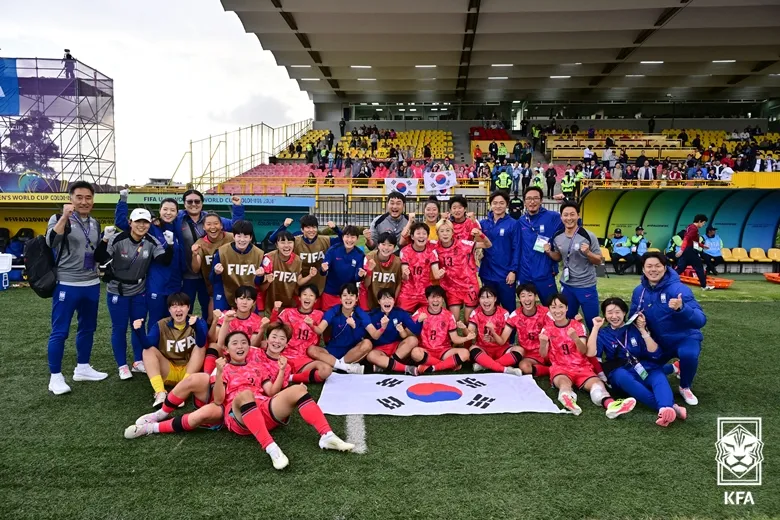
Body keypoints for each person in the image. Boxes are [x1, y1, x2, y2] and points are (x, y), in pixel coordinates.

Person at [213, 328, 354, 470]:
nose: (240, 346)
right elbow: (218, 400)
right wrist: (219, 373)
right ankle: (272, 449)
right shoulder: (222, 369)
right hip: (238, 416)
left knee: (298, 390)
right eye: (235, 343)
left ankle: (327, 436)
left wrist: (281, 370)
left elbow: (271, 392)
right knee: (245, 394)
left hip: (262, 408)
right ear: (226, 349)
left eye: (243, 343)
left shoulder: (257, 367)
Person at [95, 208, 174, 380]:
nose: (141, 225)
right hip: (118, 290)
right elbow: (100, 257)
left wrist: (170, 245)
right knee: (120, 328)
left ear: (149, 224)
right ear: (130, 223)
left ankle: (138, 361)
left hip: (139, 290)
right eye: (138, 221)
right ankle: (122, 365)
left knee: (138, 325)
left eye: (145, 222)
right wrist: (104, 239)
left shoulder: (151, 241)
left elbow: (164, 261)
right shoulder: (117, 238)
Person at [45, 181, 107, 395]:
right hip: (67, 283)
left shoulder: (95, 223)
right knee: (60, 331)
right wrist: (64, 217)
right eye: (79, 197)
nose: (84, 201)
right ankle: (55, 377)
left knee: (88, 327)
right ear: (71, 198)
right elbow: (51, 241)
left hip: (91, 283)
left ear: (93, 200)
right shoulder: (58, 219)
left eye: (88, 197)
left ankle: (83, 367)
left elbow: (96, 251)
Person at [589, 297, 687, 427]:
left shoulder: (634, 328)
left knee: (658, 375)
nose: (614, 316)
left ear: (624, 312)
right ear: (605, 315)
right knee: (623, 377)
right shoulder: (603, 333)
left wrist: (643, 331)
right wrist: (595, 328)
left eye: (617, 312)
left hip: (642, 365)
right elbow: (591, 354)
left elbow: (655, 352)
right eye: (609, 313)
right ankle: (669, 407)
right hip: (620, 370)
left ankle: (665, 409)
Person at [539, 293, 636, 418]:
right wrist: (543, 343)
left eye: (561, 307)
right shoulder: (546, 329)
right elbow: (543, 355)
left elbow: (584, 350)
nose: (557, 310)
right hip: (560, 367)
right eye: (553, 307)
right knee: (564, 383)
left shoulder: (578, 326)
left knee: (597, 385)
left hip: (582, 367)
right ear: (549, 309)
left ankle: (611, 406)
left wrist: (575, 338)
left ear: (567, 308)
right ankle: (569, 400)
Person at [631, 252, 707, 406]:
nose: (653, 270)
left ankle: (685, 386)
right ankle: (674, 368)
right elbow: (633, 314)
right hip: (659, 341)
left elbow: (700, 320)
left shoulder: (679, 289)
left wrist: (682, 308)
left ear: (665, 268)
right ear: (644, 270)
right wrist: (636, 319)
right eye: (649, 266)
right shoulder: (639, 291)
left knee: (689, 354)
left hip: (684, 337)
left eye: (658, 266)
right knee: (642, 370)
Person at [174, 190, 244, 320]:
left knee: (209, 309)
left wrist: (237, 207)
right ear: (184, 203)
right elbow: (164, 224)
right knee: (185, 308)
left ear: (202, 203)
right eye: (189, 201)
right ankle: (189, 336)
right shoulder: (178, 219)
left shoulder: (210, 218)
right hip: (188, 272)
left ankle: (207, 336)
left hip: (208, 274)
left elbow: (236, 226)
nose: (193, 204)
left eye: (197, 201)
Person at [116, 190, 183, 323]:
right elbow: (121, 223)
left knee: (172, 321)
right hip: (156, 284)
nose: (168, 213)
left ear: (177, 213)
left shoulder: (179, 228)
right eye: (165, 209)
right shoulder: (150, 228)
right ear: (160, 210)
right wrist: (123, 200)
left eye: (172, 210)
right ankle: (152, 344)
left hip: (175, 283)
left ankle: (167, 344)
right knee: (155, 321)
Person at [132, 292, 208, 407]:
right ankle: (160, 392)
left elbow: (201, 342)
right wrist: (139, 330)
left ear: (188, 307)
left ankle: (182, 392)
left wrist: (196, 327)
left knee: (200, 348)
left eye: (182, 305)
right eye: (174, 306)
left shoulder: (198, 321)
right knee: (147, 351)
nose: (178, 309)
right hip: (168, 369)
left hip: (189, 371)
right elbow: (148, 344)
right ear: (169, 309)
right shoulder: (161, 325)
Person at [545, 202, 603, 328]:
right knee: (567, 321)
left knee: (592, 322)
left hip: (586, 285)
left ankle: (594, 347)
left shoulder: (588, 235)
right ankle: (571, 346)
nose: (569, 218)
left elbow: (599, 260)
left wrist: (588, 253)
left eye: (572, 214)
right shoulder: (557, 236)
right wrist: (549, 252)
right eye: (565, 215)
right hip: (567, 286)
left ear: (578, 216)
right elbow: (559, 257)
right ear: (561, 217)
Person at [270, 285, 333, 383]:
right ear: (299, 297)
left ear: (316, 300)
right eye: (304, 294)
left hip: (304, 359)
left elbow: (326, 331)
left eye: (311, 295)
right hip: (284, 355)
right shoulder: (288, 312)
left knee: (326, 370)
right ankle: (290, 374)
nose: (307, 297)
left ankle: (290, 377)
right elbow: (272, 327)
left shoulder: (319, 315)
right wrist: (275, 310)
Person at [410, 286, 476, 374]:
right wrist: (418, 322)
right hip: (425, 350)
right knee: (415, 353)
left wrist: (466, 338)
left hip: (444, 351)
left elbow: (455, 338)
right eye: (433, 297)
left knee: (465, 353)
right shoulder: (420, 312)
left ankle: (431, 368)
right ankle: (447, 365)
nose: (436, 300)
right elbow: (409, 331)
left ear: (443, 299)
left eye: (438, 297)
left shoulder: (448, 315)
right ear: (427, 299)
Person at [434, 218, 490, 320]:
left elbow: (488, 245)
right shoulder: (434, 247)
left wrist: (480, 235)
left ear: (452, 232)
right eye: (442, 231)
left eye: (448, 230)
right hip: (451, 288)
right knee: (453, 320)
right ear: (437, 233)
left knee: (469, 321)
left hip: (469, 286)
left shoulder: (463, 244)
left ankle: (469, 335)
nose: (445, 234)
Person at [309, 283, 371, 374]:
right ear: (340, 298)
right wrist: (312, 325)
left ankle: (336, 364)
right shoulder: (334, 311)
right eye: (345, 295)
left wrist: (354, 327)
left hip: (352, 352)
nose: (348, 298)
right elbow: (320, 329)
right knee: (311, 349)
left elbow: (361, 338)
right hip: (333, 350)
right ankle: (345, 367)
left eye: (351, 295)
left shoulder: (361, 313)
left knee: (368, 344)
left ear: (356, 298)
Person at [517, 186, 563, 305]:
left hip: (544, 273)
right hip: (525, 274)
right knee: (526, 308)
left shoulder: (552, 217)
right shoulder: (521, 221)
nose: (532, 201)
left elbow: (574, 220)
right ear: (525, 202)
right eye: (529, 199)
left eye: (536, 198)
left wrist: (565, 202)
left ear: (541, 200)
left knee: (552, 306)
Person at [206, 285, 266, 373]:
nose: (244, 302)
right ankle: (208, 375)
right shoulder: (226, 315)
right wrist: (215, 321)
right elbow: (212, 339)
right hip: (225, 352)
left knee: (262, 346)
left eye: (249, 299)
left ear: (253, 303)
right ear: (235, 300)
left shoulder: (257, 320)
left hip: (244, 353)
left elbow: (253, 345)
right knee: (213, 346)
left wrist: (262, 330)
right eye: (241, 298)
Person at [479, 191, 521, 315]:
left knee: (509, 309)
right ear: (490, 204)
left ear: (507, 205)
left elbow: (516, 248)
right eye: (495, 203)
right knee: (490, 309)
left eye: (501, 203)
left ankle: (510, 335)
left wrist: (513, 271)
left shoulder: (513, 224)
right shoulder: (483, 224)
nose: (498, 206)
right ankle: (492, 334)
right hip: (487, 273)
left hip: (505, 275)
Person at [467, 286, 524, 376]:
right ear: (479, 299)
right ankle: (504, 369)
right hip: (483, 349)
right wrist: (465, 330)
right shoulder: (476, 312)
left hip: (502, 349)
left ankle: (485, 365)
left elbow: (503, 341)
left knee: (519, 350)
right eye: (482, 297)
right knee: (472, 349)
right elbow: (469, 332)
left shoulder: (504, 313)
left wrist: (493, 333)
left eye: (489, 297)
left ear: (495, 299)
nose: (486, 301)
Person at [210, 220, 264, 312]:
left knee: (252, 320)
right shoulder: (222, 251)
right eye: (239, 236)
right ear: (234, 236)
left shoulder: (259, 254)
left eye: (246, 236)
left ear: (250, 238)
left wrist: (260, 275)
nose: (242, 240)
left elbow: (258, 283)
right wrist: (216, 272)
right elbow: (212, 280)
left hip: (247, 293)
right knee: (219, 316)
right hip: (225, 289)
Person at [190, 212, 234, 322]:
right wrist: (194, 255)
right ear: (204, 227)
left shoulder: (231, 238)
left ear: (222, 225)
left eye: (216, 223)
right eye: (209, 224)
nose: (213, 227)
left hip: (234, 284)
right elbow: (195, 269)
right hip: (214, 287)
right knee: (212, 319)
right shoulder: (200, 243)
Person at [258, 231, 318, 311]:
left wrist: (310, 275)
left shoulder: (297, 260)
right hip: (271, 305)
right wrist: (268, 281)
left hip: (290, 304)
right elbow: (261, 288)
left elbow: (299, 282)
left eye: (290, 242)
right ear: (276, 245)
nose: (286, 245)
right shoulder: (269, 258)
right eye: (282, 242)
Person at [365, 289, 420, 374]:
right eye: (384, 299)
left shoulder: (400, 312)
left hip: (397, 348)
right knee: (370, 356)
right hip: (380, 349)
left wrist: (419, 321)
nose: (387, 301)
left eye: (390, 298)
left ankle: (386, 365)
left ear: (394, 301)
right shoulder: (372, 315)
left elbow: (414, 329)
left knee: (413, 340)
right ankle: (406, 368)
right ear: (379, 301)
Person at [397, 222, 444, 312]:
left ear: (427, 236)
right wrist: (405, 274)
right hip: (408, 292)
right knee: (401, 317)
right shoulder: (405, 251)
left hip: (426, 292)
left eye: (424, 233)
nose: (421, 236)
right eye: (418, 233)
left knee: (431, 317)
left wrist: (440, 274)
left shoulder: (431, 251)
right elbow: (404, 276)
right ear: (412, 237)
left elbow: (436, 274)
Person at [508, 284, 550, 376]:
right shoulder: (515, 315)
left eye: (530, 295)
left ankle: (558, 367)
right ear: (519, 299)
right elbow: (503, 338)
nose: (527, 299)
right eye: (523, 296)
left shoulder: (546, 312)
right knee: (524, 366)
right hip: (531, 354)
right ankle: (550, 370)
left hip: (549, 351)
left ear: (536, 297)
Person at [319, 226, 365, 309]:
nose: (349, 240)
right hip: (330, 293)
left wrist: (360, 275)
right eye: (347, 236)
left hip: (348, 295)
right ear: (343, 237)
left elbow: (357, 278)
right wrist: (323, 269)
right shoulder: (333, 250)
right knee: (328, 319)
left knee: (348, 320)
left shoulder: (360, 254)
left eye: (353, 237)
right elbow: (323, 272)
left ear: (357, 239)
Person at [360, 232, 402, 310]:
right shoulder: (369, 257)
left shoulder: (398, 262)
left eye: (390, 245)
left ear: (394, 247)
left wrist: (394, 301)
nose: (386, 248)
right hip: (371, 301)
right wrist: (369, 271)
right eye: (383, 244)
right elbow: (365, 285)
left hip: (388, 303)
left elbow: (399, 283)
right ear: (378, 245)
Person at [675, 214, 714, 291]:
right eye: (703, 223)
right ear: (699, 221)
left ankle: (664, 280)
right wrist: (681, 250)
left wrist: (702, 246)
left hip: (687, 250)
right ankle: (704, 286)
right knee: (699, 268)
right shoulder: (694, 229)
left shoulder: (690, 227)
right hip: (690, 251)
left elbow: (692, 241)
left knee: (680, 268)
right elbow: (686, 239)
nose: (703, 225)